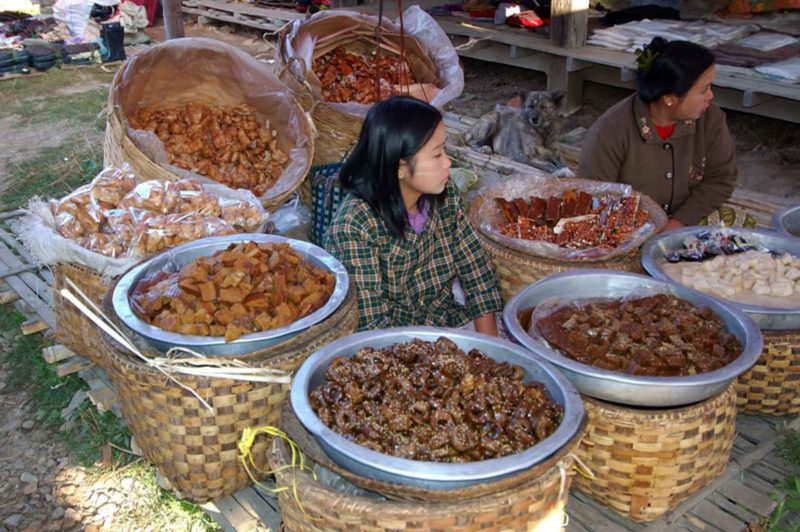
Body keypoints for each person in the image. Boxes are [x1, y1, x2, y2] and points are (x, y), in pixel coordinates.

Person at [324, 96, 503, 335]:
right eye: (437, 154)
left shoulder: (446, 196)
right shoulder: (354, 227)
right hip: (390, 342)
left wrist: (491, 348)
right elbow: (371, 326)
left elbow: (476, 271)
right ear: (399, 167)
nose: (448, 163)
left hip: (443, 319)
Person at [578, 37, 737, 231]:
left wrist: (677, 223)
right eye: (704, 90)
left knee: (740, 231)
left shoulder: (711, 120)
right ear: (669, 99)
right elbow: (594, 195)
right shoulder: (610, 131)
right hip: (626, 226)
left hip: (687, 218)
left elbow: (721, 179)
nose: (710, 96)